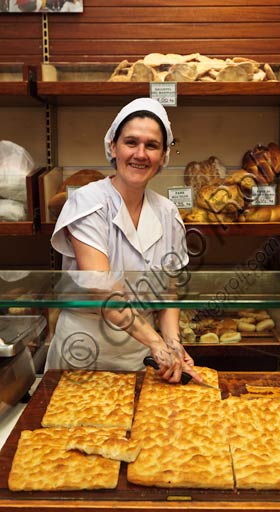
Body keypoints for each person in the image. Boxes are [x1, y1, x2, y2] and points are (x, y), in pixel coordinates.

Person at [45, 97, 203, 384]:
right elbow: (102, 288)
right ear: (112, 147)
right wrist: (156, 342)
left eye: (151, 146)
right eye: (131, 142)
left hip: (138, 354)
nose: (140, 154)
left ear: (163, 156)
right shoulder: (87, 202)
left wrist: (172, 342)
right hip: (83, 353)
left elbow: (169, 293)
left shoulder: (168, 213)